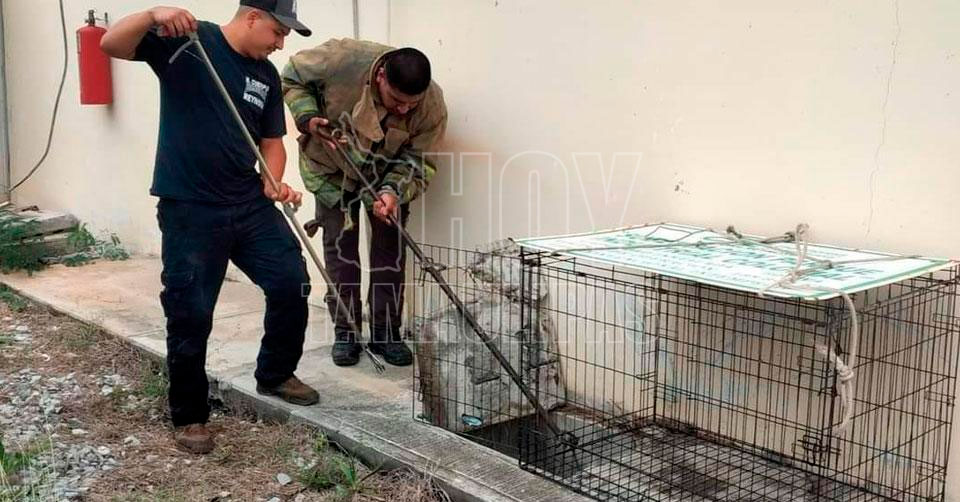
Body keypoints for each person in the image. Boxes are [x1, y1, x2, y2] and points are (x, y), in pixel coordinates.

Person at [100, 1, 317, 454]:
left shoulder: (265, 75)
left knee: (291, 281)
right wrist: (152, 16)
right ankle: (190, 415)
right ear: (253, 17)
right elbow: (111, 44)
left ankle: (275, 373)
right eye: (278, 33)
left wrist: (273, 180)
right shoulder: (188, 41)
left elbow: (272, 142)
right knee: (191, 310)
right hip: (190, 207)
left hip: (247, 203)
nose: (280, 45)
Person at [282, 39, 447, 368]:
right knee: (341, 253)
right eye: (397, 100)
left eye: (411, 104)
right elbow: (292, 76)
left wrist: (392, 191)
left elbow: (419, 161)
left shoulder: (431, 105)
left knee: (390, 253)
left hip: (385, 176)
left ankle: (386, 332)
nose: (404, 110)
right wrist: (308, 116)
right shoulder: (341, 59)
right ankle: (347, 331)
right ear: (381, 76)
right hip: (331, 170)